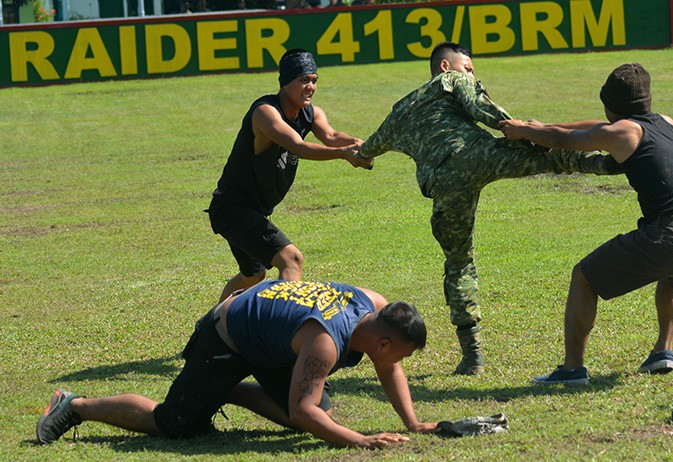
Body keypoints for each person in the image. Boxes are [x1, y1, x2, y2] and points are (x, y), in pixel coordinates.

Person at [357, 42, 621, 375]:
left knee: (458, 261)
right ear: (445, 67)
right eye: (468, 67)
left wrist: (361, 155)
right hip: (474, 153)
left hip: (440, 182)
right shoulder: (450, 81)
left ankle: (472, 356)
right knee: (551, 158)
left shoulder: (398, 111)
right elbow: (483, 109)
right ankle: (617, 163)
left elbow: (369, 148)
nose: (472, 73)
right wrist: (528, 133)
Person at [499, 63, 673, 385]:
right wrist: (542, 124)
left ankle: (572, 369)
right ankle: (663, 352)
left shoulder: (621, 132)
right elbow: (595, 128)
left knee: (584, 277)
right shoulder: (666, 122)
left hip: (670, 238)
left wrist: (525, 131)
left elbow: (570, 139)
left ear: (609, 103)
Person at [36, 280, 438, 448]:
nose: (395, 363)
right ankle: (75, 405)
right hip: (227, 334)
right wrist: (360, 440)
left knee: (318, 415)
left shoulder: (376, 306)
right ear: (383, 341)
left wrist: (414, 424)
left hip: (272, 338)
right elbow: (304, 409)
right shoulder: (325, 343)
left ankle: (221, 389)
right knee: (176, 424)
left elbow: (388, 368)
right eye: (399, 354)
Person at [207, 49, 370, 303]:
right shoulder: (265, 112)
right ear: (285, 82)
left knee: (253, 274)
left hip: (254, 210)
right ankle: (282, 331)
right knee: (291, 259)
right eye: (304, 80)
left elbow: (332, 136)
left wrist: (365, 144)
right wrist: (343, 154)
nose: (310, 87)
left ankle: (214, 327)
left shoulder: (310, 113)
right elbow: (298, 146)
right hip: (232, 208)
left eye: (314, 80)